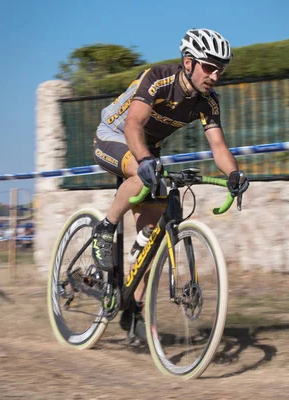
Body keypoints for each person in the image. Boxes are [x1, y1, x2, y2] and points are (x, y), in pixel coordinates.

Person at [91, 28, 249, 342]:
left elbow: (218, 146)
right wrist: (146, 159)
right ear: (188, 62)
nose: (215, 75)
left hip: (148, 149)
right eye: (209, 67)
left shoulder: (207, 101)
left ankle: (133, 307)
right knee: (139, 174)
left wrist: (235, 174)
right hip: (114, 136)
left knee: (153, 235)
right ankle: (105, 229)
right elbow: (134, 124)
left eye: (221, 69)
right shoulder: (158, 79)